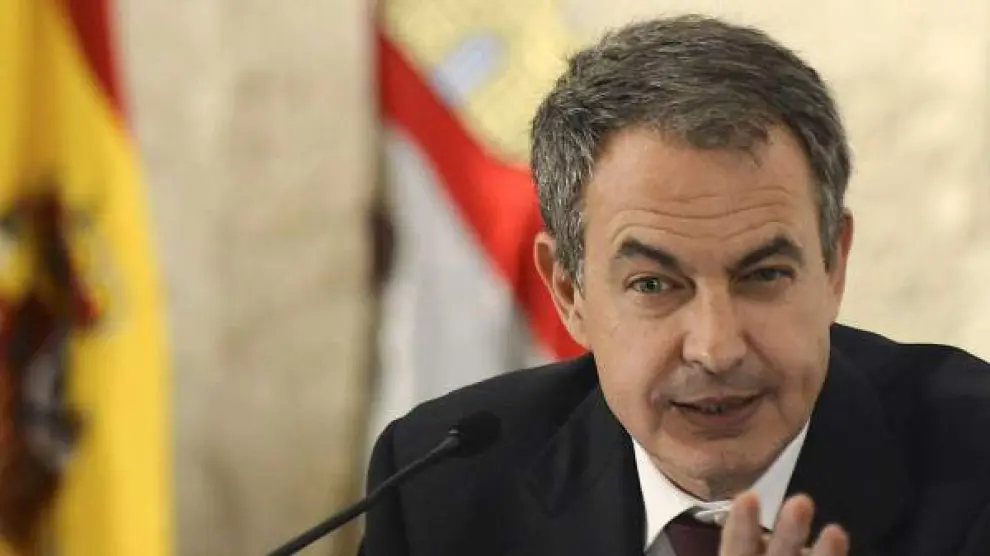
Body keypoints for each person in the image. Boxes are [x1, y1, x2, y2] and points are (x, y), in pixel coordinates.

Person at [359, 15, 990, 556]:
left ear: (833, 266)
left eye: (764, 275)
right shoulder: (440, 487)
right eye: (654, 284)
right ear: (569, 292)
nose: (716, 349)